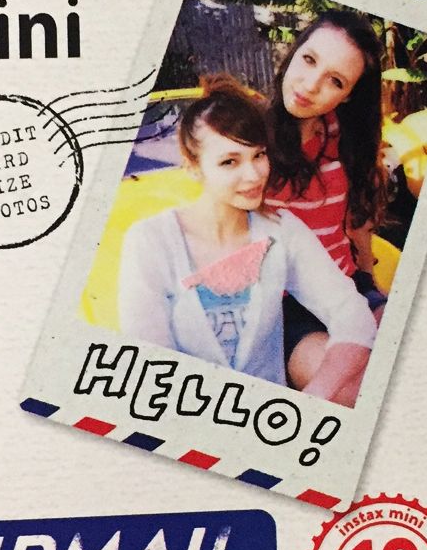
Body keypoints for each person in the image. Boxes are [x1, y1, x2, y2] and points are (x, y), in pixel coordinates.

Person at [118, 75, 375, 403]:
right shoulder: (151, 240)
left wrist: (317, 395)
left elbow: (351, 314)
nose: (254, 175)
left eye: (259, 155)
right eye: (230, 162)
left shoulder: (282, 230)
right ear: (193, 167)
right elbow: (148, 360)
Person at [264, 10, 388, 398]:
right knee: (356, 392)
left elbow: (357, 219)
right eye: (309, 59)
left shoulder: (344, 137)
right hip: (284, 308)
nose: (310, 85)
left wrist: (369, 283)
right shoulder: (249, 140)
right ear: (294, 52)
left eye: (335, 80)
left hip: (348, 288)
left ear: (348, 95)